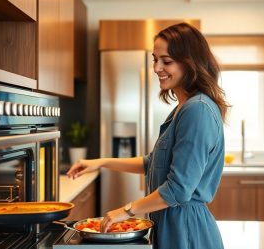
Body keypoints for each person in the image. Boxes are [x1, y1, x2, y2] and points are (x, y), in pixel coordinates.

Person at [67, 22, 229, 249]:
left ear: (190, 63)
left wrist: (126, 211)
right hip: (171, 224)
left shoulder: (197, 110)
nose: (156, 68)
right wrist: (102, 162)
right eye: (155, 59)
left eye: (167, 61)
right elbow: (152, 163)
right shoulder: (182, 109)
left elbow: (178, 189)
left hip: (186, 231)